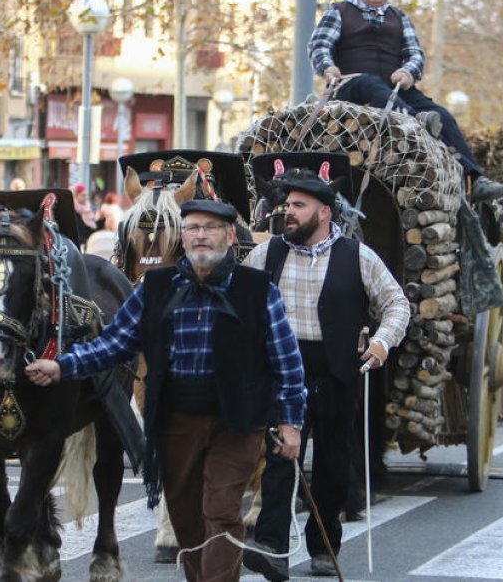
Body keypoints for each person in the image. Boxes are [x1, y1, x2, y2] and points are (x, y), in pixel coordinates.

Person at [25, 199, 307, 582]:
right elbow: (114, 344)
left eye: (210, 227)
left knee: (222, 509)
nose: (201, 235)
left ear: (228, 236)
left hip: (237, 422)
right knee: (186, 518)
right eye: (192, 228)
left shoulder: (257, 290)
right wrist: (62, 366)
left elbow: (287, 362)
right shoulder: (156, 288)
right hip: (175, 421)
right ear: (182, 237)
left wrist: (291, 422)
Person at [241, 169, 409, 579]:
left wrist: (382, 343)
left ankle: (323, 544)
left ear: (325, 212)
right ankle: (272, 548)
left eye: (299, 207)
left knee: (333, 465)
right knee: (280, 458)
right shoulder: (266, 254)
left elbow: (397, 304)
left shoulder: (358, 255)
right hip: (284, 369)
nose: (289, 214)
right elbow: (239, 300)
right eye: (288, 206)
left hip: (337, 372)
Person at [308, 0, 503, 203]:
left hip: (395, 88)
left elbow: (415, 54)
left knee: (442, 114)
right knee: (371, 84)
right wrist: (328, 68)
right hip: (352, 86)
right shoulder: (338, 12)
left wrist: (408, 72)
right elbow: (319, 46)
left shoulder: (399, 17)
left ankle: (474, 179)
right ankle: (418, 124)